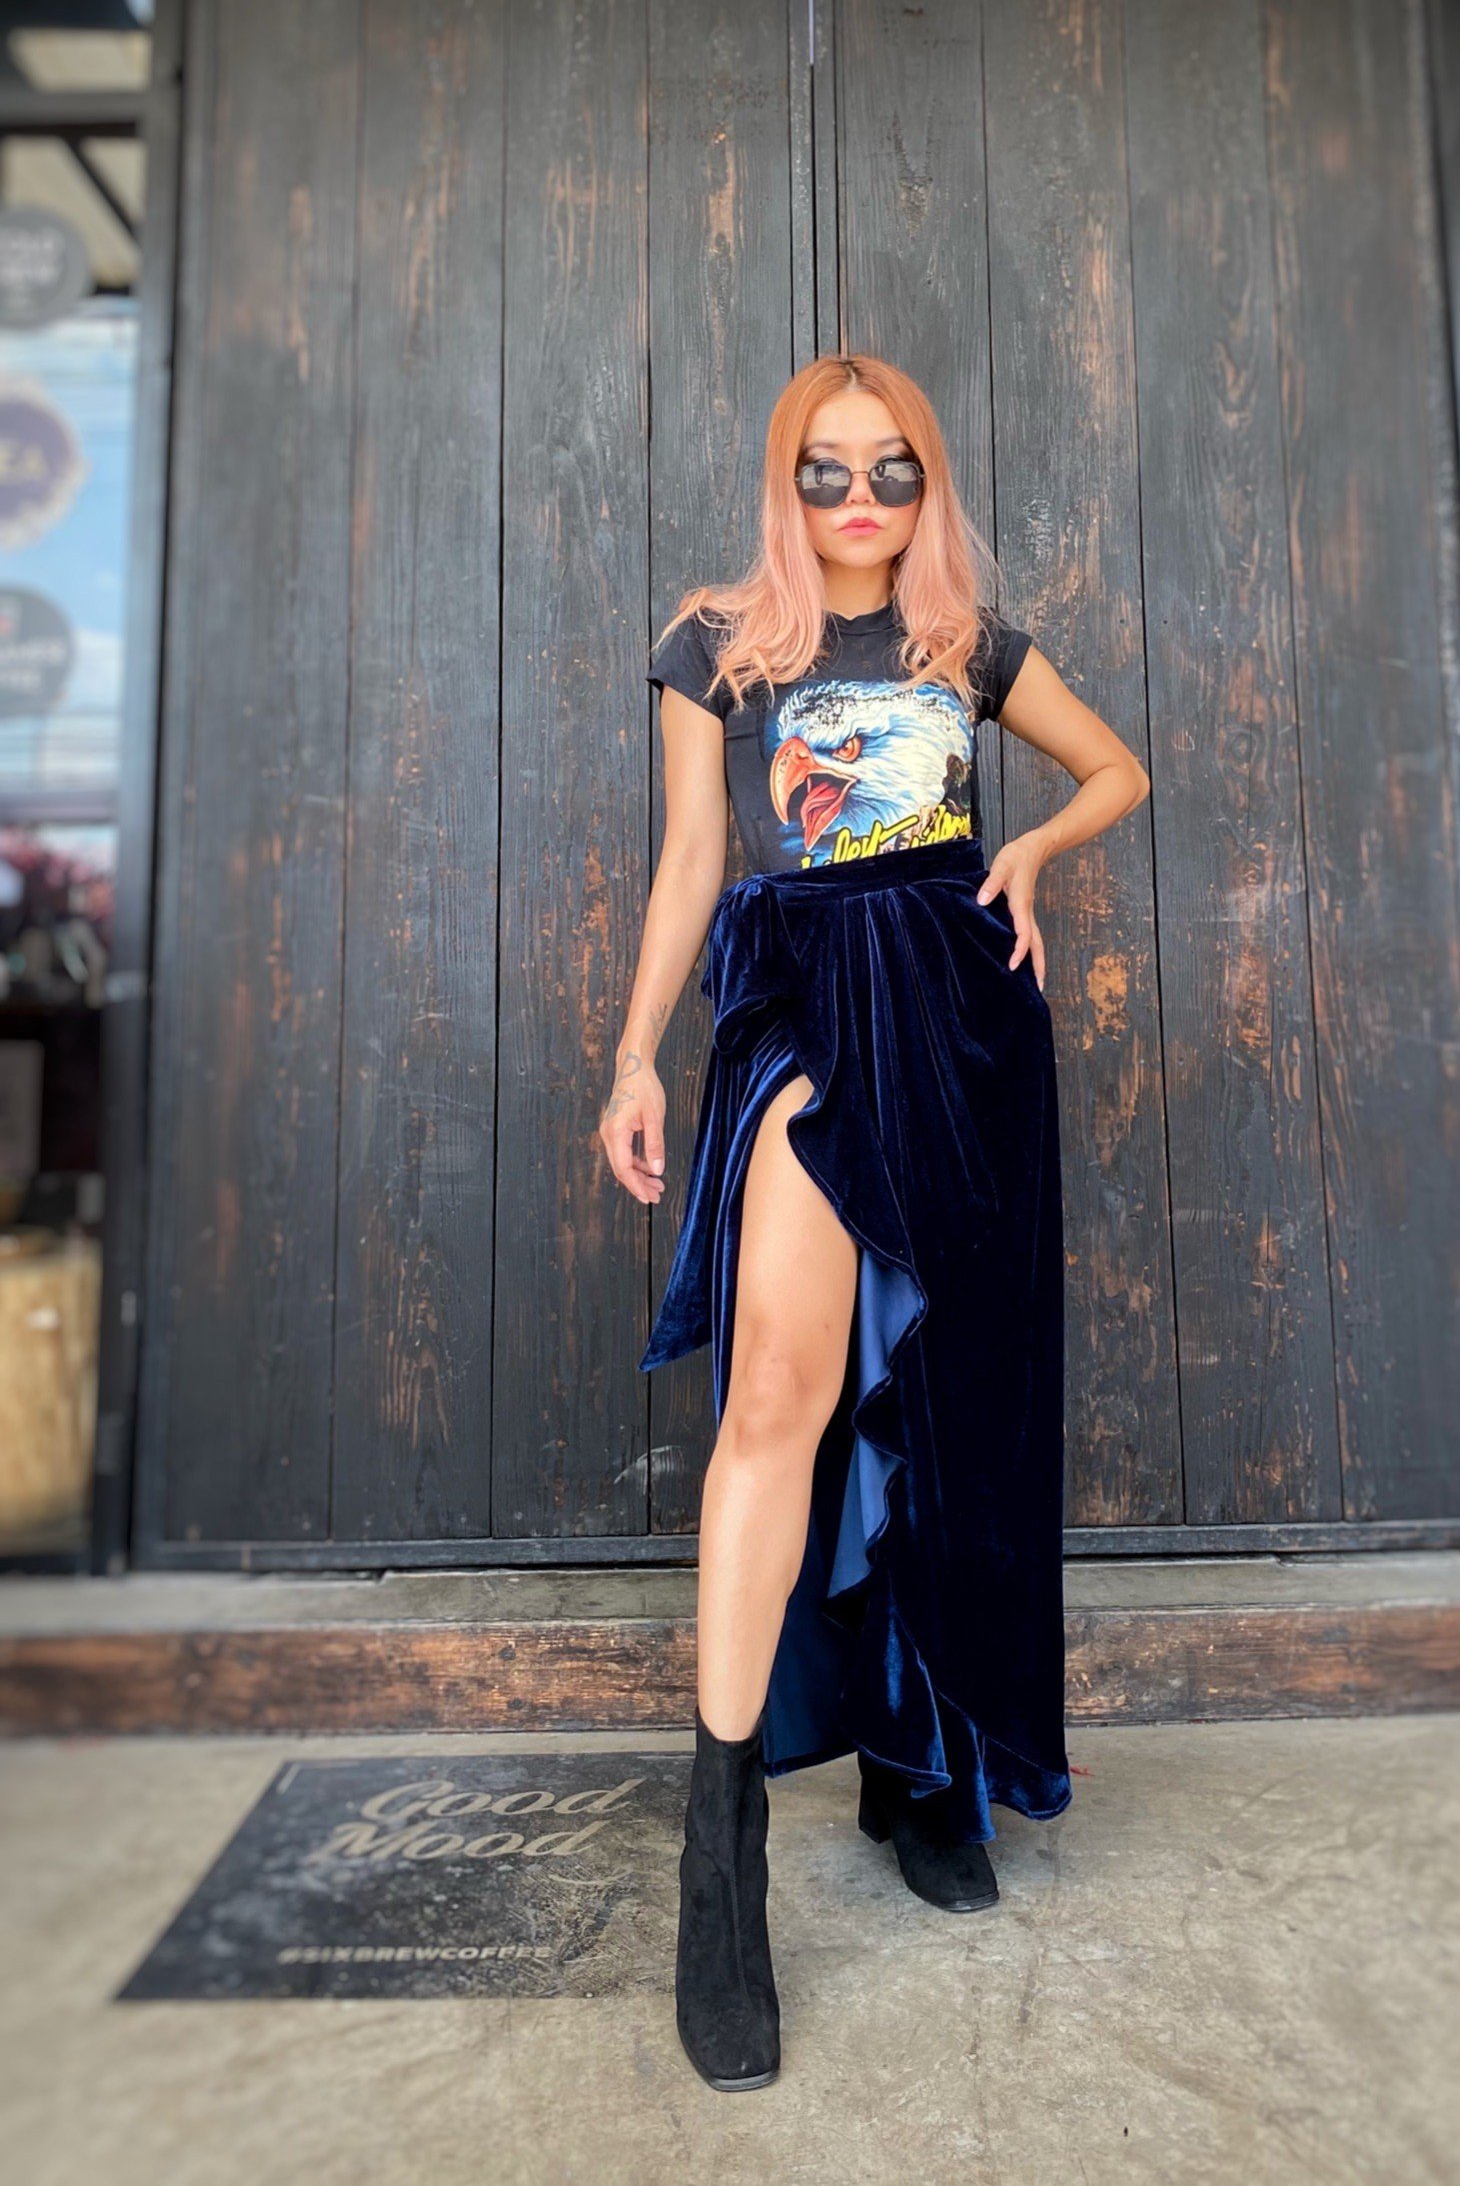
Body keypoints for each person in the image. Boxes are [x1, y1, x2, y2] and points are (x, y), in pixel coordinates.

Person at [598, 352, 1149, 2091]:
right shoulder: (715, 642)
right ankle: (720, 1860)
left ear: (927, 481)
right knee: (779, 1391)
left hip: (961, 1021)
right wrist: (633, 1053)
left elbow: (1115, 771)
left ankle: (923, 1774)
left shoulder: (965, 643)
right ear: (785, 482)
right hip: (804, 1010)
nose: (858, 500)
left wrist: (1028, 856)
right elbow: (694, 860)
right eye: (826, 471)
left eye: (891, 469)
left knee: (943, 1400)